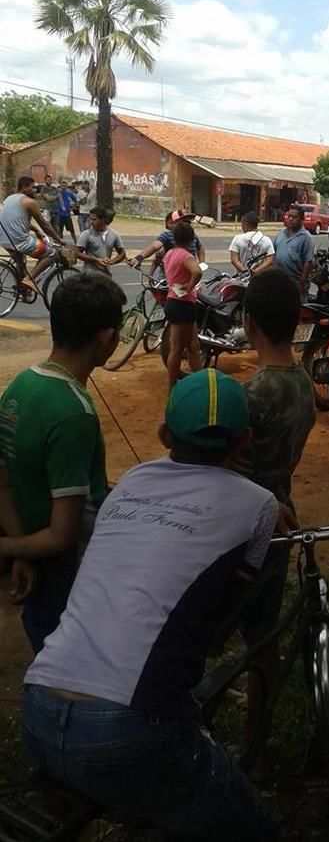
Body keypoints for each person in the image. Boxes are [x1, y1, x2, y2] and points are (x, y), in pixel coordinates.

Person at [21, 369, 282, 841]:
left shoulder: (131, 482)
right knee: (257, 830)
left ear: (164, 435)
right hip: (126, 729)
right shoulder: (259, 504)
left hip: (38, 705)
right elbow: (225, 608)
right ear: (245, 440)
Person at [0, 273, 125, 652]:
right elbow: (63, 535)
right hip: (70, 574)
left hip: (33, 554)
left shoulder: (21, 385)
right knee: (71, 659)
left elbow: (3, 481)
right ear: (105, 339)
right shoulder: (74, 413)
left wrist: (20, 547)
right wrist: (7, 548)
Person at [238, 269, 316, 768]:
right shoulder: (304, 384)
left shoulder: (254, 393)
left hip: (241, 527)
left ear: (248, 324)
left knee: (209, 627)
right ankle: (255, 742)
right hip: (282, 518)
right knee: (262, 635)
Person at [0, 176, 62, 292]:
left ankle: (23, 291)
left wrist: (36, 230)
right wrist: (58, 238)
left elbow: (16, 220)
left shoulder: (9, 199)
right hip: (19, 241)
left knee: (20, 260)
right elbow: (45, 225)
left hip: (4, 240)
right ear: (24, 187)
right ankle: (29, 279)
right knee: (52, 253)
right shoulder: (30, 202)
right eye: (32, 187)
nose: (35, 190)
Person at [162, 221, 203, 389]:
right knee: (178, 348)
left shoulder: (169, 254)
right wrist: (190, 286)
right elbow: (197, 271)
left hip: (173, 300)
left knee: (193, 346)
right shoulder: (186, 256)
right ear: (191, 239)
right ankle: (172, 386)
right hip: (183, 303)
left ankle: (201, 381)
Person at [129, 209, 206, 270]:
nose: (187, 224)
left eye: (189, 222)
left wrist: (201, 263)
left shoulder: (193, 236)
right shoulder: (168, 235)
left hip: (189, 273)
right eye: (184, 221)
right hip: (170, 274)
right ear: (175, 223)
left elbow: (200, 247)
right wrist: (139, 258)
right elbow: (155, 246)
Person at [274, 204, 314, 295]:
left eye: (294, 217)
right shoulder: (280, 234)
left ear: (301, 219)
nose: (291, 219)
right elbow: (273, 254)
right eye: (289, 216)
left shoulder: (306, 238)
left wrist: (302, 283)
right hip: (279, 280)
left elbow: (308, 262)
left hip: (295, 282)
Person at [76, 207, 126, 275]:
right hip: (88, 275)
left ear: (102, 220)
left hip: (105, 275)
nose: (91, 222)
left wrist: (112, 261)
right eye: (90, 219)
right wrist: (95, 260)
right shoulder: (86, 234)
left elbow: (122, 253)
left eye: (94, 219)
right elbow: (77, 253)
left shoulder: (114, 234)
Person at [229, 211, 275, 275]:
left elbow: (234, 259)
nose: (242, 226)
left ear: (246, 223)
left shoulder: (238, 238)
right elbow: (270, 261)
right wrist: (255, 271)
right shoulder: (266, 240)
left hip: (240, 279)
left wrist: (245, 272)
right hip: (259, 278)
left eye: (242, 224)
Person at [55, 179, 77, 244]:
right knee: (60, 231)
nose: (63, 187)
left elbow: (75, 200)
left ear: (66, 186)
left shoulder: (69, 193)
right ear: (60, 186)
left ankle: (76, 242)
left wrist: (72, 208)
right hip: (59, 215)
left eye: (65, 185)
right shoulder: (58, 193)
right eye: (62, 185)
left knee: (72, 230)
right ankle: (61, 243)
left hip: (67, 215)